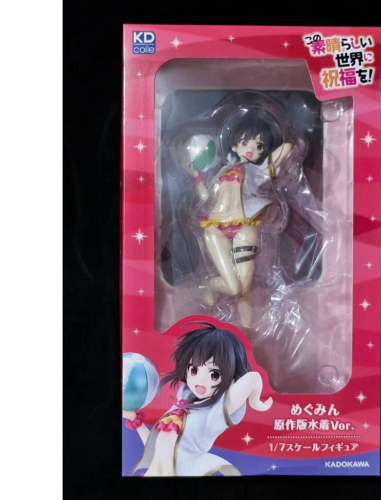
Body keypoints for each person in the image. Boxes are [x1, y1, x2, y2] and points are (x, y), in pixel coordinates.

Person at [182, 114, 293, 327]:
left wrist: (270, 143)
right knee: (234, 288)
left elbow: (286, 148)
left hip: (244, 226)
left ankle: (246, 334)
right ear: (234, 145)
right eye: (245, 142)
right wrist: (194, 175)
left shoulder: (257, 171)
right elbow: (205, 197)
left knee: (243, 288)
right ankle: (208, 285)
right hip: (215, 228)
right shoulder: (219, 171)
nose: (251, 149)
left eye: (258, 146)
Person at [123, 323, 273, 476]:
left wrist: (255, 401)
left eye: (214, 374)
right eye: (194, 370)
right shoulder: (182, 405)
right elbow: (157, 448)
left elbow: (252, 378)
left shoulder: (214, 414)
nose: (201, 380)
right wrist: (136, 421)